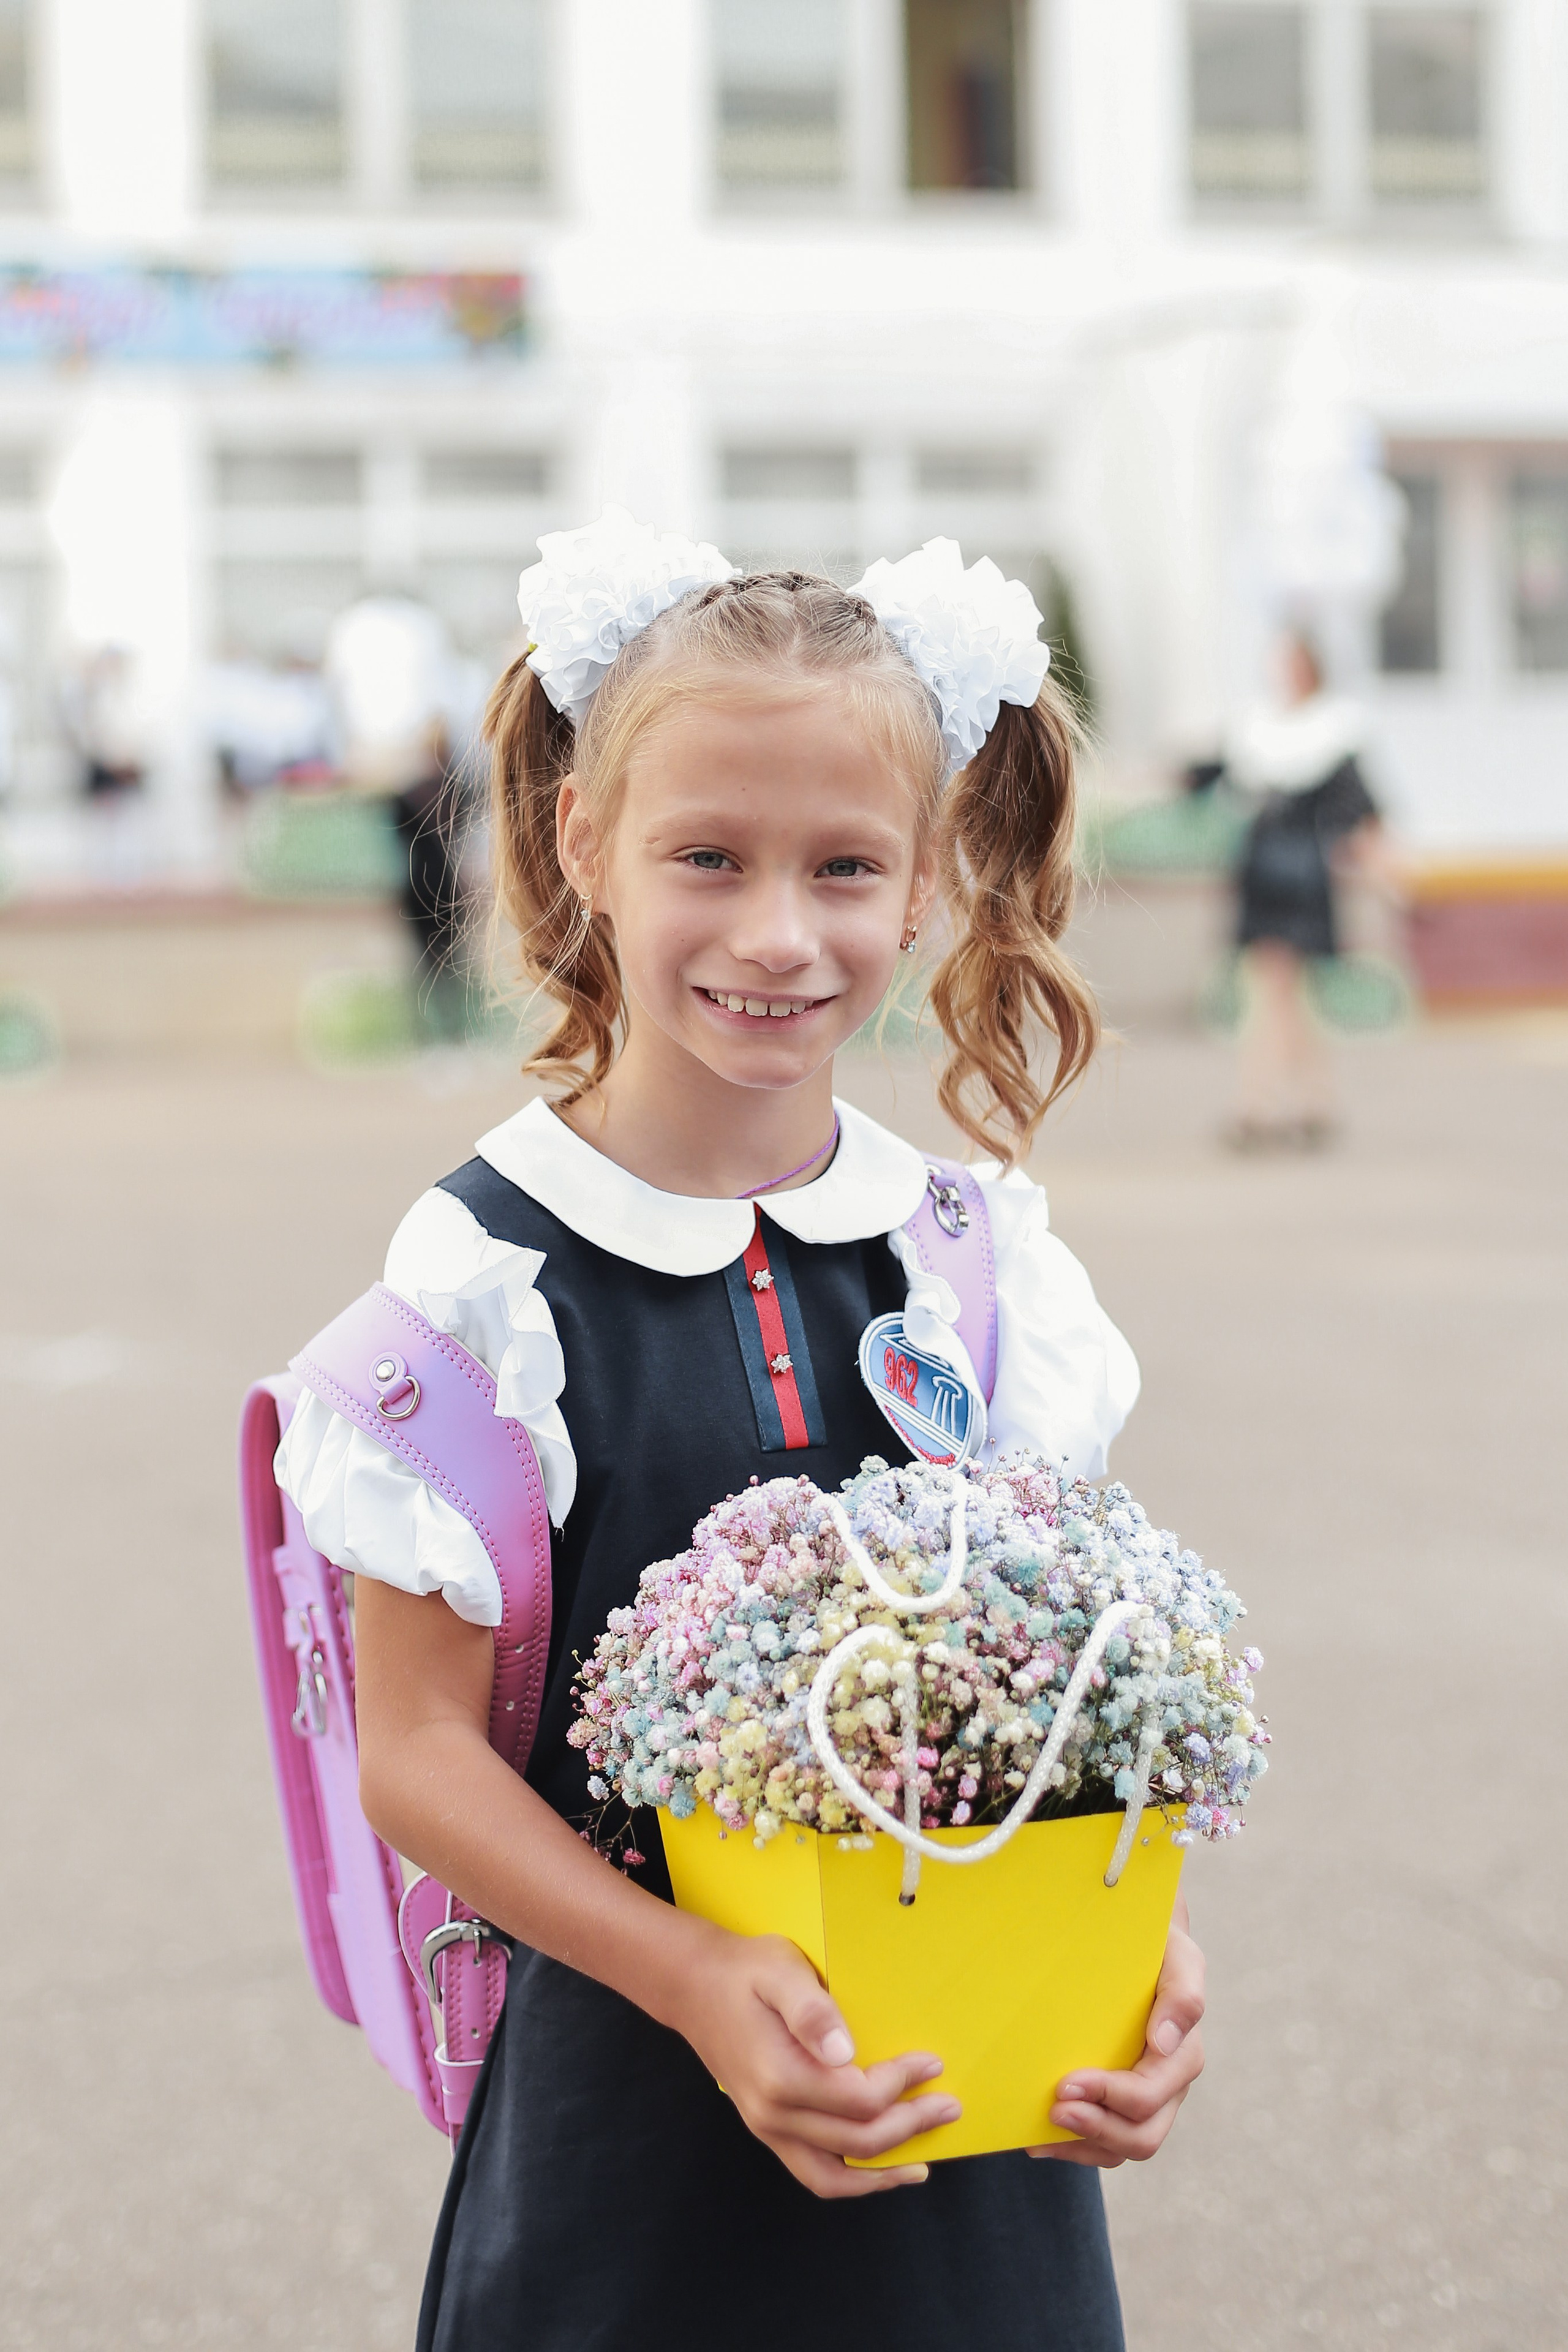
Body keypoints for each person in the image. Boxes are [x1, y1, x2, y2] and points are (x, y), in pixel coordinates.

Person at [276, 517, 1207, 2351]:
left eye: (845, 866)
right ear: (580, 840)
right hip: (635, 2145)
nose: (778, 934)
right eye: (707, 854)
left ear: (929, 877)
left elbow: (1051, 1692)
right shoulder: (489, 1286)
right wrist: (696, 1972)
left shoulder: (974, 1266)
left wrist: (1129, 1954)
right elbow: (417, 1753)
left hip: (966, 2135)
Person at [1225, 631, 1391, 1150]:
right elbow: (1216, 776)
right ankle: (1313, 1101)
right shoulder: (1261, 726)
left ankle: (1263, 1104)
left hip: (1299, 876)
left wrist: (1386, 873)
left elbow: (1362, 810)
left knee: (1277, 989)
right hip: (1265, 873)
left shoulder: (1333, 733)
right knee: (1284, 991)